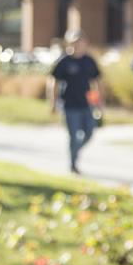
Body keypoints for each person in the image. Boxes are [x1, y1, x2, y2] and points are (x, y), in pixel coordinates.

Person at [48, 29, 101, 174]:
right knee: (73, 135)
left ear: (86, 43)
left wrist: (97, 103)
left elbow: (94, 84)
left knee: (89, 133)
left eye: (81, 42)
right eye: (75, 42)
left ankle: (74, 152)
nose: (78, 45)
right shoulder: (64, 62)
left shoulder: (89, 61)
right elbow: (54, 82)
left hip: (87, 105)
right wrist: (53, 102)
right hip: (69, 105)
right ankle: (73, 164)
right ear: (69, 43)